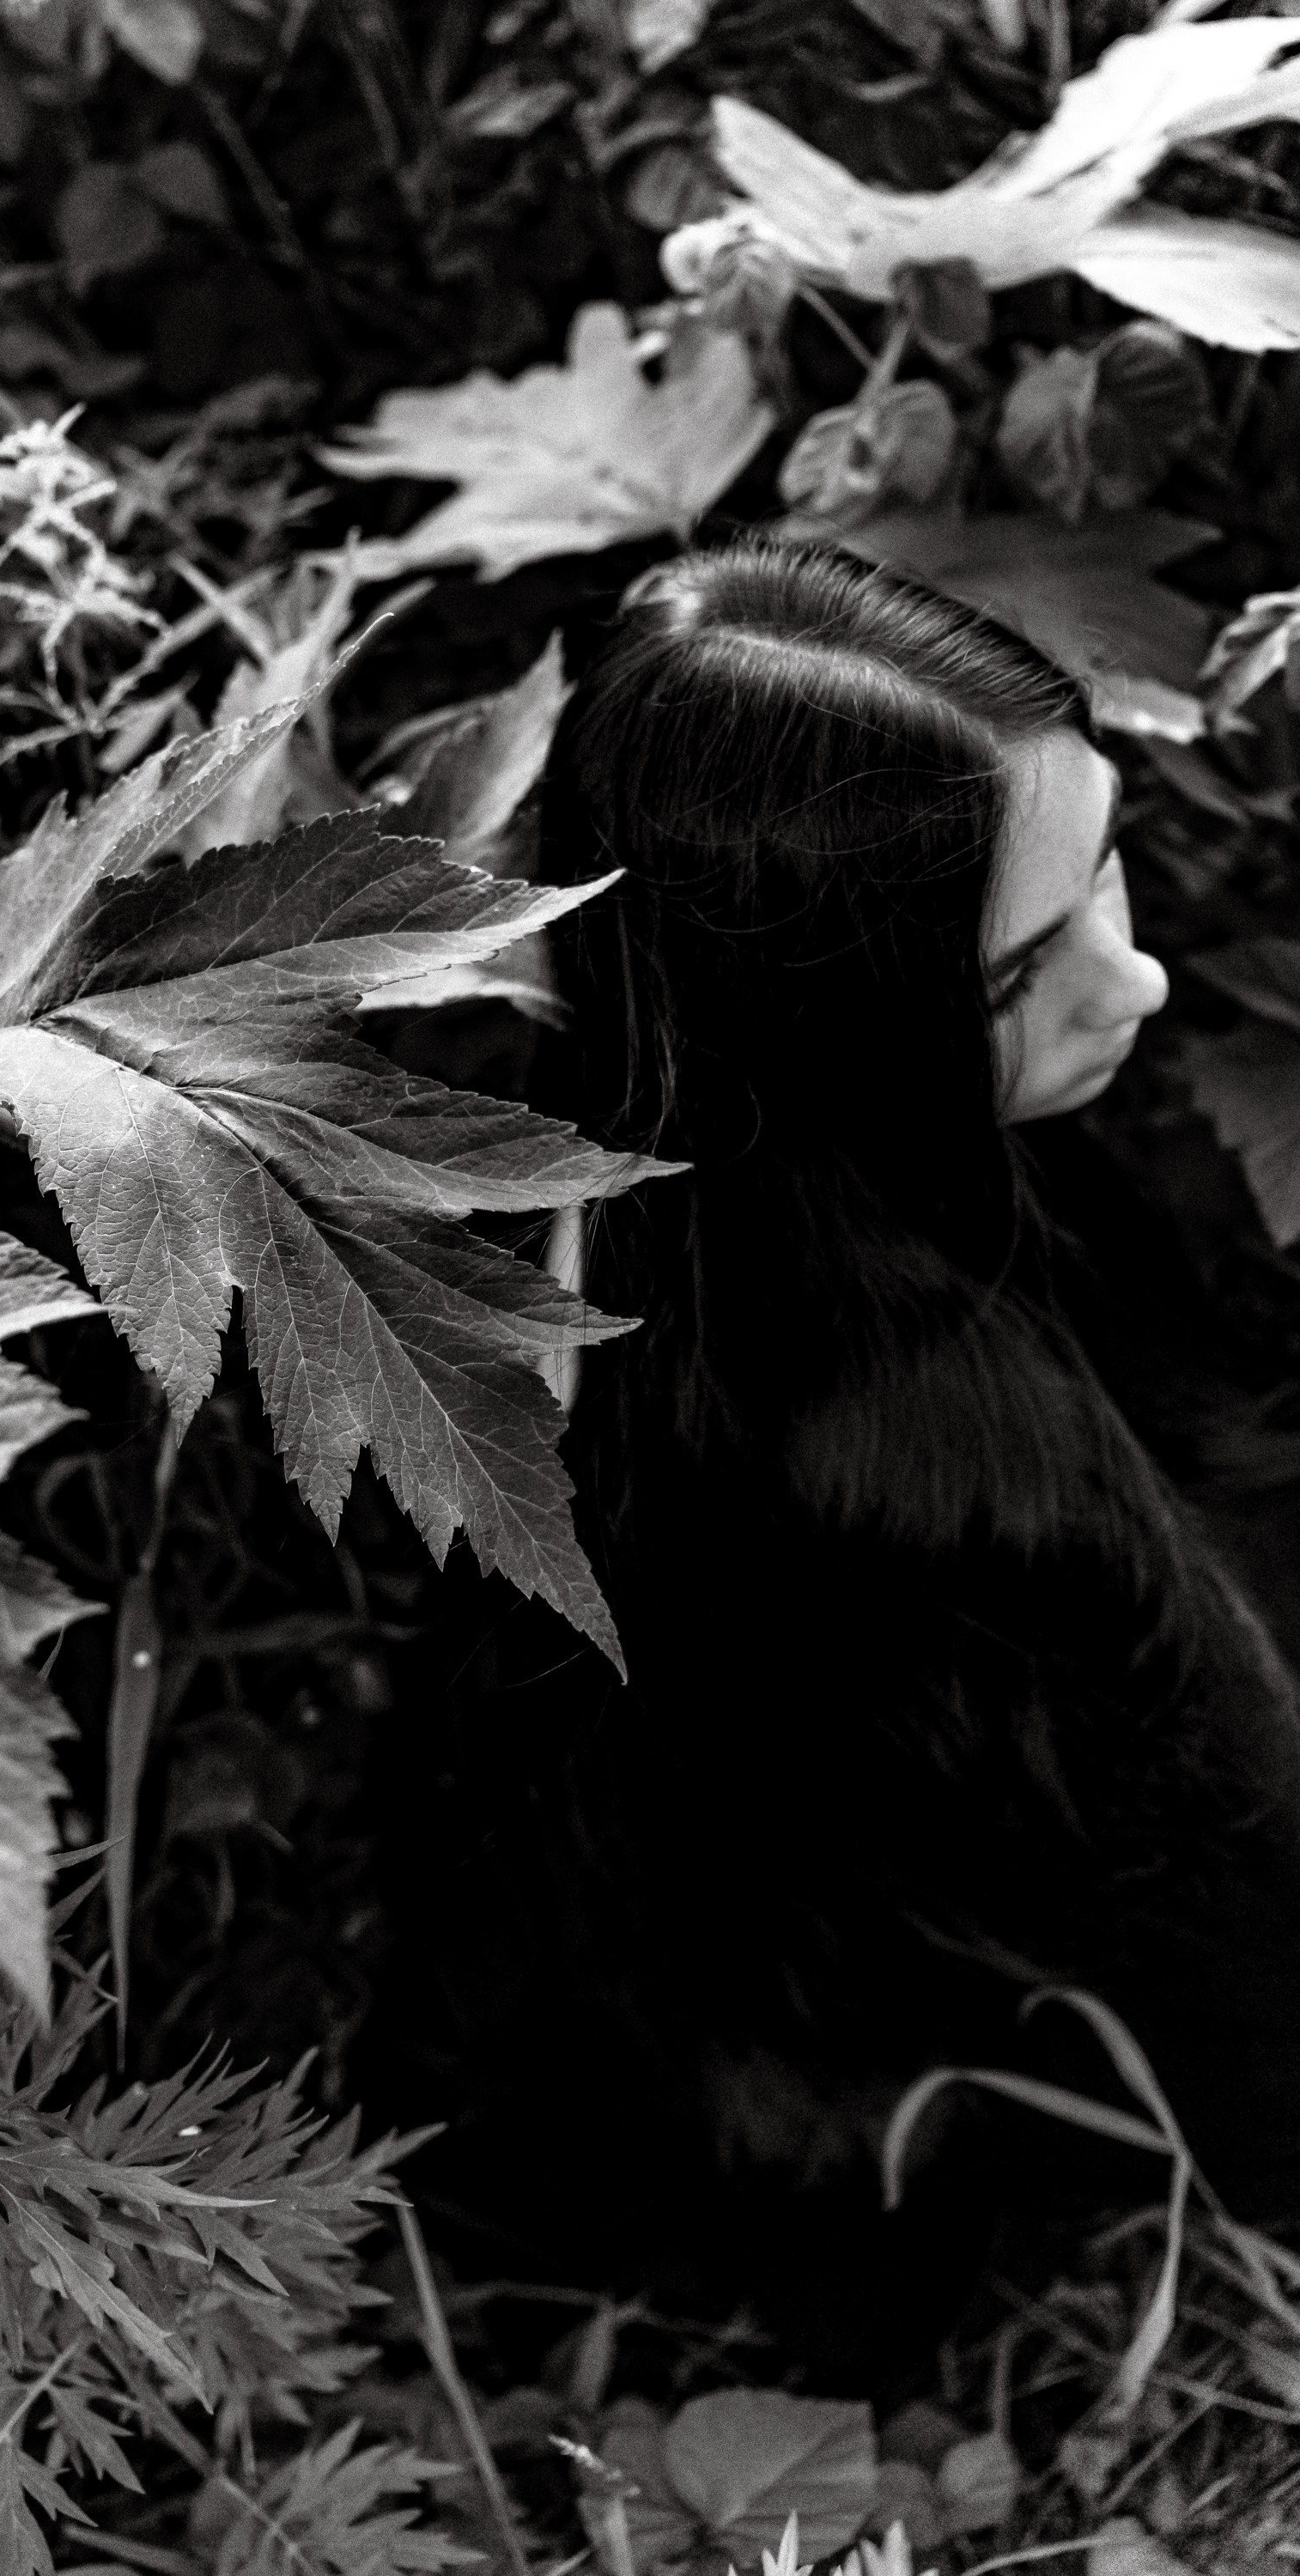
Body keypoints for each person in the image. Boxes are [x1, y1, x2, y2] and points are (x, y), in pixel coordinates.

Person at [359, 535, 1300, 2378]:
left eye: (1108, 875)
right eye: (1029, 968)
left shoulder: (673, 1180)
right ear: (845, 1036)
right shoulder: (914, 1434)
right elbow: (1251, 1880)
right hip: (811, 2124)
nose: (1141, 984)